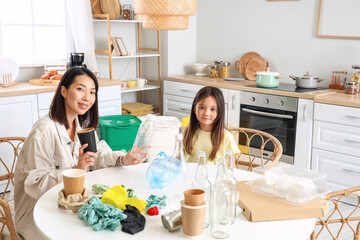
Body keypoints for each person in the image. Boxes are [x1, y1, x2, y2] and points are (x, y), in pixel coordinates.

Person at [14, 67, 146, 239]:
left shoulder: (79, 122)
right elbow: (34, 184)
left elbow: (97, 152)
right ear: (64, 91)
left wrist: (123, 159)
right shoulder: (43, 131)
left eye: (92, 92)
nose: (87, 97)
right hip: (37, 213)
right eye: (80, 89)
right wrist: (76, 170)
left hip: (68, 202)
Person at [183, 86, 240, 164]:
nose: (206, 113)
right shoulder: (187, 132)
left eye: (212, 109)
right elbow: (178, 161)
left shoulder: (227, 137)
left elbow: (231, 168)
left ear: (219, 112)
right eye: (202, 107)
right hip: (190, 175)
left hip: (215, 176)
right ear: (194, 109)